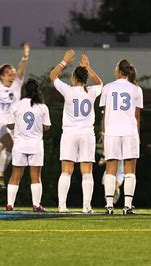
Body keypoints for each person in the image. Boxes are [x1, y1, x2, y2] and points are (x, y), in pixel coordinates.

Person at [49, 50, 103, 213]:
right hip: (87, 134)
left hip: (70, 134)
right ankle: (87, 206)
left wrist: (64, 61)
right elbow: (100, 83)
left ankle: (62, 205)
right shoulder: (91, 91)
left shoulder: (68, 90)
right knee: (87, 171)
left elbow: (52, 76)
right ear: (85, 78)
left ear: (73, 78)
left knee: (66, 170)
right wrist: (88, 67)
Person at [0, 43, 30, 187]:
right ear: (2, 76)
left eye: (13, 75)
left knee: (6, 157)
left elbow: (21, 70)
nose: (12, 77)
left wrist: (25, 56)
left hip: (12, 126)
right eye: (9, 75)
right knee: (11, 146)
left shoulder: (16, 85)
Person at [100, 59, 143, 215]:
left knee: (110, 169)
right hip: (130, 131)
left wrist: (103, 133)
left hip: (112, 131)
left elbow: (104, 113)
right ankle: (127, 206)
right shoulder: (136, 89)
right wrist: (137, 134)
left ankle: (109, 206)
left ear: (118, 70)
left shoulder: (108, 88)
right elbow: (137, 115)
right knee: (130, 170)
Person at [6, 78, 51, 212]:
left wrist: (19, 125)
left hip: (19, 145)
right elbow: (47, 127)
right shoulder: (42, 107)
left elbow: (9, 124)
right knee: (36, 176)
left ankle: (10, 204)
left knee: (15, 175)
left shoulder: (16, 105)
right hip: (36, 145)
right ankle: (36, 205)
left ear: (24, 90)